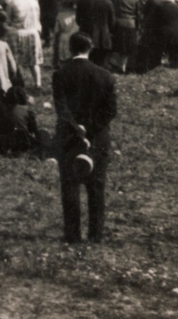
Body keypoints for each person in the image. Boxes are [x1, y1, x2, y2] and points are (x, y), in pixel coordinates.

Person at [52, 32, 117, 244]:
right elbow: (110, 111)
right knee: (96, 186)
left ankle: (73, 235)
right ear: (90, 48)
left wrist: (77, 129)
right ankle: (95, 234)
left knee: (70, 185)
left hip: (69, 136)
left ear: (70, 48)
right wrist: (90, 129)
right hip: (98, 137)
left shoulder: (61, 74)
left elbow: (62, 108)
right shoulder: (105, 75)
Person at [0, 84, 43, 156]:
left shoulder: (0, 108)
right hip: (19, 142)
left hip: (1, 143)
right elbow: (34, 129)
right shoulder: (27, 110)